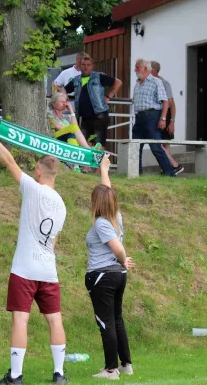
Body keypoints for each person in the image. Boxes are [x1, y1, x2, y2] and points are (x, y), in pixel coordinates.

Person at [0, 118, 69, 385]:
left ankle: (16, 376)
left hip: (25, 267)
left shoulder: (32, 189)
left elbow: (8, 161)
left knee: (21, 319)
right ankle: (59, 374)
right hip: (48, 268)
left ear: (39, 172)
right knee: (55, 320)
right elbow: (53, 241)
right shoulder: (62, 206)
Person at [85, 155, 135, 380]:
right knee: (116, 319)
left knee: (106, 322)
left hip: (103, 277)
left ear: (98, 203)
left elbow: (117, 247)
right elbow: (108, 192)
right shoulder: (115, 216)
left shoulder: (102, 224)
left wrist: (123, 258)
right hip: (116, 276)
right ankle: (126, 364)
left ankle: (111, 370)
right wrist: (104, 168)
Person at [64, 56, 122, 147]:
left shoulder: (99, 76)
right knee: (84, 143)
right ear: (80, 66)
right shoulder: (76, 79)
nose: (85, 67)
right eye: (83, 65)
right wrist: (64, 97)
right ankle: (89, 162)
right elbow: (64, 89)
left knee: (99, 145)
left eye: (88, 65)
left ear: (92, 66)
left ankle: (101, 161)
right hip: (84, 118)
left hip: (99, 115)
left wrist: (108, 96)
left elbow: (118, 82)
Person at [131, 58, 175, 176]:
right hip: (139, 117)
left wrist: (163, 118)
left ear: (145, 68)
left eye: (137, 67)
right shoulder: (137, 83)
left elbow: (165, 101)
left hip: (152, 116)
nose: (134, 69)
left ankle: (169, 172)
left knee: (156, 147)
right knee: (136, 146)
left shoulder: (156, 82)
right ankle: (137, 173)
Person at [151, 61, 183, 174]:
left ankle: (174, 165)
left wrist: (172, 122)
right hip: (157, 114)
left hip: (165, 115)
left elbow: (172, 103)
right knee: (163, 143)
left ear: (153, 70)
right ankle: (168, 168)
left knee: (161, 143)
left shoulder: (164, 83)